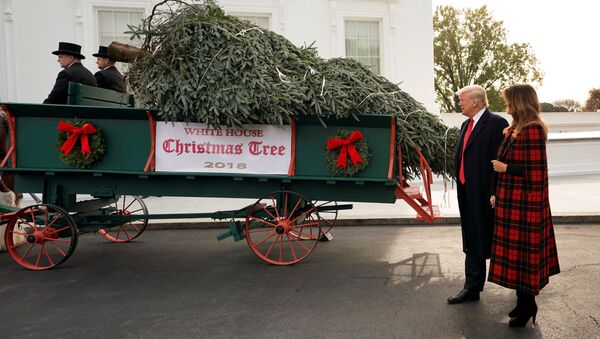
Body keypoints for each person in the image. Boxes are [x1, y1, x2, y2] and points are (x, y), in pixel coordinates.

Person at [489, 84, 560, 327]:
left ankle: (528, 305)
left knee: (525, 257)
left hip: (525, 207)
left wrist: (505, 168)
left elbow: (536, 172)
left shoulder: (532, 130)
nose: (507, 106)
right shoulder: (515, 129)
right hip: (512, 203)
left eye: (509, 101)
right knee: (518, 258)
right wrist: (496, 193)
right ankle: (523, 303)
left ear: (519, 102)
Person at [448, 85, 508, 304]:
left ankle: (521, 291)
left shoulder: (497, 124)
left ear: (475, 101)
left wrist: (495, 191)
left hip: (487, 195)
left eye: (462, 100)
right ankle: (471, 288)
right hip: (467, 193)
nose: (459, 103)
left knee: (497, 241)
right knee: (472, 239)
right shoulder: (466, 124)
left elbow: (501, 160)